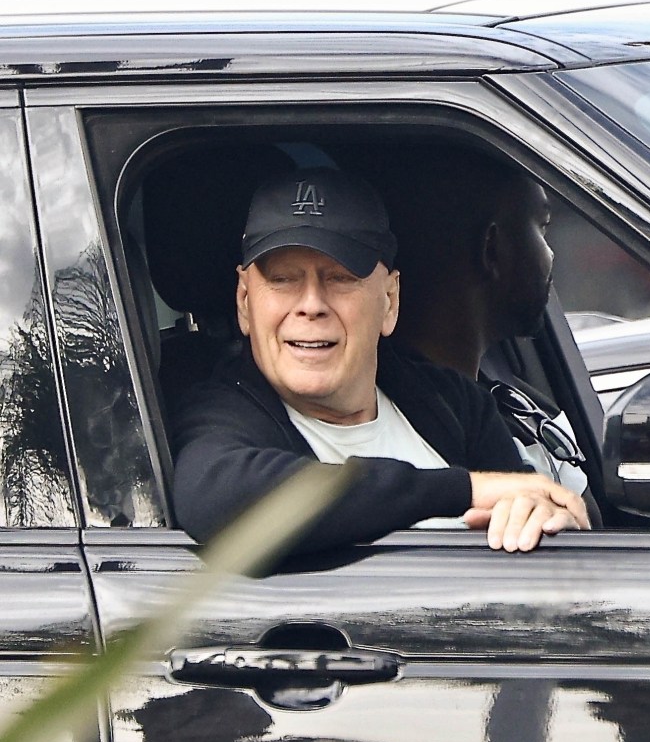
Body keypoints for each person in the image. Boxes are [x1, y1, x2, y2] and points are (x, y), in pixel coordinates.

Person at [172, 167, 590, 557]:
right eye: (283, 279)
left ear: (389, 300)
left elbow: (526, 511)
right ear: (245, 302)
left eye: (340, 278)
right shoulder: (226, 411)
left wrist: (549, 523)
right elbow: (219, 498)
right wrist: (465, 490)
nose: (311, 305)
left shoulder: (455, 405)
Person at [390, 146, 602, 524]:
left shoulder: (507, 397)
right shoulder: (404, 431)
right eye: (542, 227)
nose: (551, 255)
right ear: (492, 249)